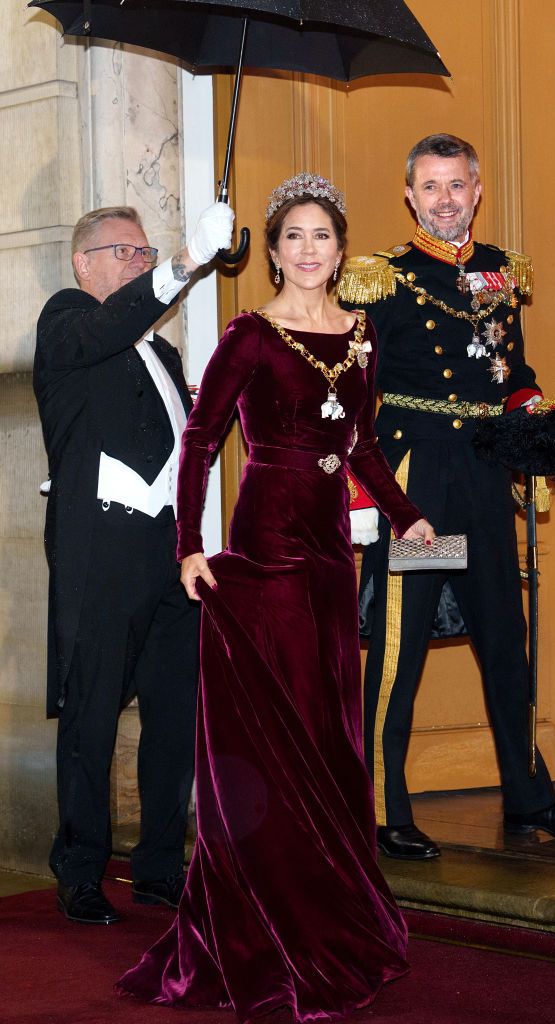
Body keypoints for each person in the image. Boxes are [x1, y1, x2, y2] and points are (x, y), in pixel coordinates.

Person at [117, 172, 434, 1022]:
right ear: (275, 248)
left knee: (329, 732)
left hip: (331, 552)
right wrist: (187, 544)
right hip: (265, 543)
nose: (306, 249)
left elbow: (361, 445)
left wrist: (403, 515)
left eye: (320, 236)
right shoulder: (250, 334)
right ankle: (266, 918)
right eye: (291, 235)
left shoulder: (360, 335)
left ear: (339, 249)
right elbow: (200, 440)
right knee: (276, 735)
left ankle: (332, 904)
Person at [338, 133, 555, 860]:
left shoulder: (497, 272)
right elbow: (355, 389)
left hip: (486, 475)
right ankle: (381, 807)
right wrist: (368, 491)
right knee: (403, 649)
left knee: (501, 641)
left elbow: (507, 369)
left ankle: (527, 799)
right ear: (409, 195)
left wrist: (534, 411)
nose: (444, 200)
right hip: (419, 481)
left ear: (476, 189)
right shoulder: (379, 278)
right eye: (430, 187)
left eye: (456, 185)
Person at [33, 199, 235, 924]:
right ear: (84, 263)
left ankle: (157, 866)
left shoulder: (164, 353)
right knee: (90, 717)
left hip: (170, 554)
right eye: (125, 252)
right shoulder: (65, 321)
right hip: (102, 552)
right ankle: (81, 869)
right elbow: (107, 326)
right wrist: (184, 263)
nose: (140, 263)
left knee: (175, 715)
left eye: (146, 254)